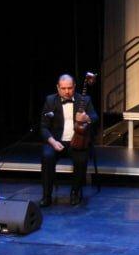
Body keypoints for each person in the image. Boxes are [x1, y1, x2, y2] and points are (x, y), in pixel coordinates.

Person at [38, 74, 98, 206]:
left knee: (81, 159)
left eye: (70, 88)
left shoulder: (84, 99)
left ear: (74, 87)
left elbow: (95, 117)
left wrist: (86, 118)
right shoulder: (50, 100)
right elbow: (43, 127)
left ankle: (75, 192)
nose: (67, 91)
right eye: (63, 88)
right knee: (47, 156)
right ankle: (46, 196)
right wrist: (53, 142)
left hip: (77, 141)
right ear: (58, 88)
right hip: (56, 141)